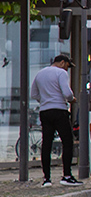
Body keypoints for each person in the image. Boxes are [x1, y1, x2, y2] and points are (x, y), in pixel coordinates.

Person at [30, 54, 82, 187]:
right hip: (59, 110)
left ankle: (46, 178)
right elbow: (67, 93)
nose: (67, 69)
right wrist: (72, 100)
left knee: (46, 143)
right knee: (67, 141)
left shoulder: (40, 74)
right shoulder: (61, 73)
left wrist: (45, 101)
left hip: (45, 111)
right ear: (62, 62)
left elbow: (34, 94)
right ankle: (67, 175)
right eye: (67, 66)